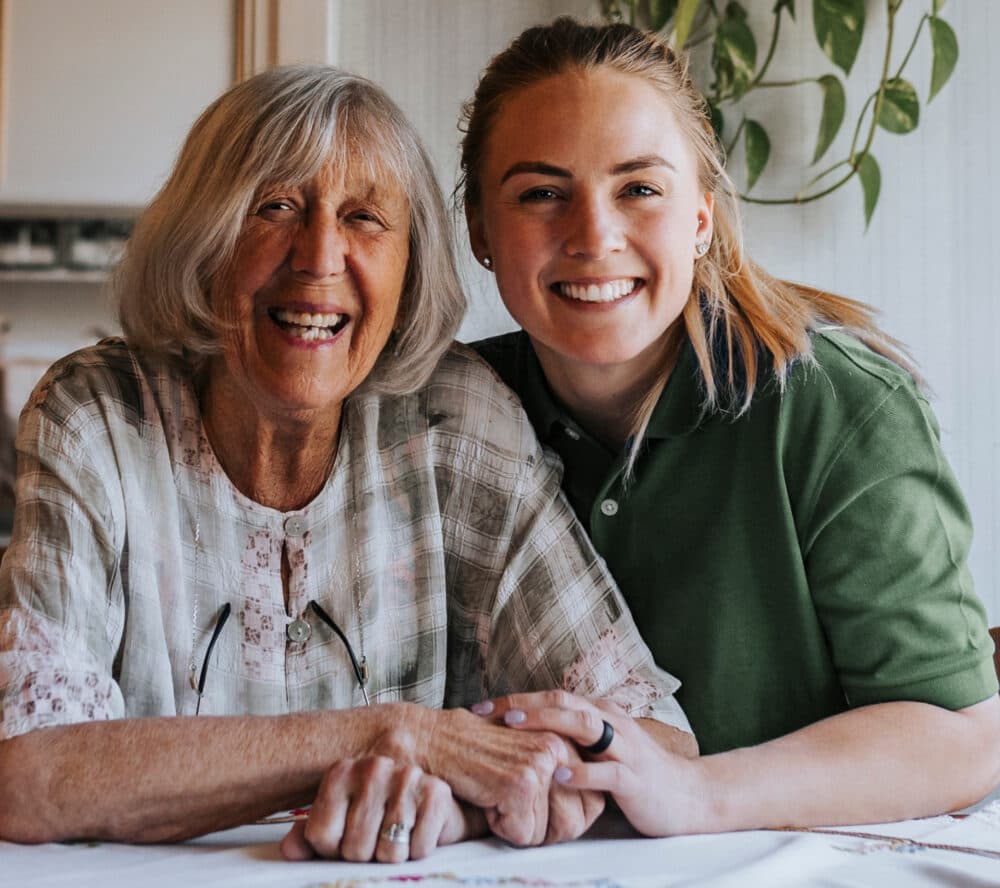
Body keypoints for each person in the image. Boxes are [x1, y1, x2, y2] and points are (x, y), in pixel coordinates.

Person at [0, 64, 694, 862]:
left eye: (364, 218)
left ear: (409, 269)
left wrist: (468, 802)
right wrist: (392, 734)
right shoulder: (97, 415)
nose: (319, 255)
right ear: (205, 236)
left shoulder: (453, 424)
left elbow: (654, 745)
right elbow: (29, 773)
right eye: (276, 207)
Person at [461, 17, 1000, 834]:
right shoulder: (452, 414)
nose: (594, 236)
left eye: (639, 189)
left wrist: (696, 795)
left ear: (702, 219)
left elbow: (963, 737)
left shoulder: (839, 406)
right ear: (479, 233)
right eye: (541, 194)